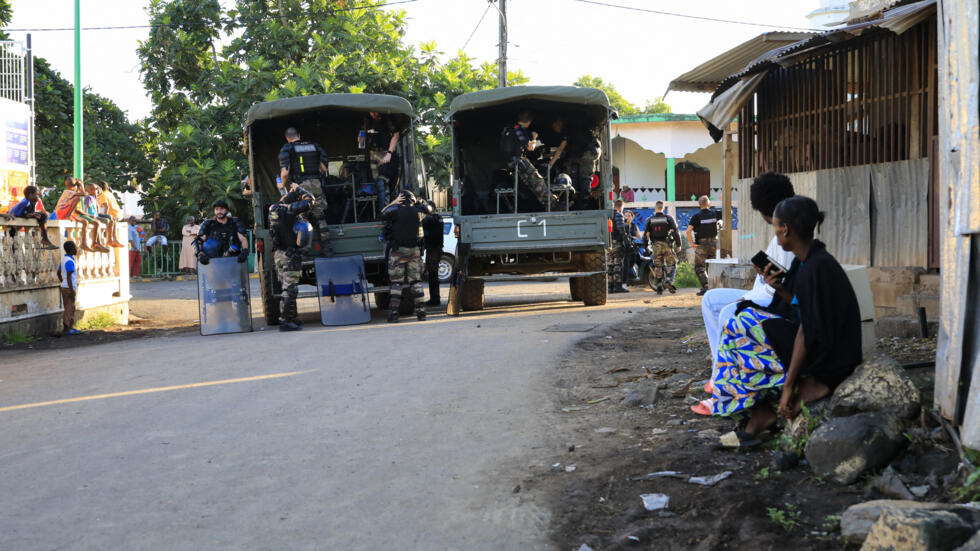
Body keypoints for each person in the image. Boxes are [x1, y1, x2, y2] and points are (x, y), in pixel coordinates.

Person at [709, 195, 862, 440]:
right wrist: (780, 287)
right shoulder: (810, 261)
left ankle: (763, 409)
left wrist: (789, 386)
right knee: (740, 321)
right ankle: (758, 411)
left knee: (740, 328)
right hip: (823, 345)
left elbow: (807, 330)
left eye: (776, 227)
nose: (776, 233)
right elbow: (802, 309)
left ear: (786, 229)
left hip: (830, 361)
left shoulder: (815, 268)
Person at [695, 173, 796, 410]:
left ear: (762, 211)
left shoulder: (788, 233)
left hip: (776, 302)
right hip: (762, 293)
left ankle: (725, 389)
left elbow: (780, 286)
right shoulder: (779, 230)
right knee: (711, 300)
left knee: (729, 312)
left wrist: (748, 297)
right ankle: (718, 372)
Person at [381, 190, 431, 323]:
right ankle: (421, 313)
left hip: (398, 251)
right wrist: (418, 202)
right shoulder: (418, 213)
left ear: (400, 200)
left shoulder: (395, 212)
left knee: (396, 283)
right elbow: (430, 210)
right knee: (416, 282)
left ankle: (394, 314)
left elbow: (383, 213)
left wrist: (393, 202)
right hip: (414, 251)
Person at [279, 127, 332, 251]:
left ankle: (305, 250)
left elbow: (285, 172)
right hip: (316, 184)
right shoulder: (315, 146)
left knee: (302, 218)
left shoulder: (287, 148)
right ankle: (328, 249)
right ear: (299, 135)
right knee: (320, 217)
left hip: (301, 186)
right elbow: (324, 169)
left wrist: (282, 184)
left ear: (287, 138)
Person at [268, 189, 313, 331]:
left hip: (279, 254)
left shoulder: (275, 211)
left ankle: (291, 317)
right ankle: (286, 321)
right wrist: (300, 190)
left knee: (286, 288)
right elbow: (310, 201)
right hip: (289, 254)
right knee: (290, 289)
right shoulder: (289, 212)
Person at [500, 110, 557, 211]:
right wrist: (534, 137)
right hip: (519, 161)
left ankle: (547, 205)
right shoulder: (521, 131)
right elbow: (531, 147)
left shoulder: (509, 129)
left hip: (510, 164)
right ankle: (554, 205)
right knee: (538, 181)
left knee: (528, 185)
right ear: (529, 121)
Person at [363, 111, 401, 207]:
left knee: (384, 184)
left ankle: (386, 211)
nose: (373, 114)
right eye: (371, 112)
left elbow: (396, 135)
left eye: (374, 112)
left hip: (385, 153)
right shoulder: (368, 121)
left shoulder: (387, 118)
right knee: (377, 183)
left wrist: (389, 153)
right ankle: (381, 211)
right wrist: (361, 138)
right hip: (374, 154)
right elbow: (363, 138)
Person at [643, 200, 680, 294]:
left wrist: (646, 246)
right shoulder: (669, 218)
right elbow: (676, 232)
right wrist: (679, 244)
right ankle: (668, 281)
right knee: (672, 263)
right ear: (663, 208)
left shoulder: (649, 220)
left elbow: (645, 235)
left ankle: (659, 286)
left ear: (655, 208)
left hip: (655, 246)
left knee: (658, 265)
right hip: (667, 244)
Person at [195, 200, 249, 264]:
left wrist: (244, 252)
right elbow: (199, 240)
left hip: (234, 260)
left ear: (227, 210)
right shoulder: (209, 224)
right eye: (216, 209)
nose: (219, 211)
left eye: (222, 209)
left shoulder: (235, 222)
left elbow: (243, 239)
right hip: (213, 262)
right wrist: (201, 254)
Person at [686, 196, 720, 296]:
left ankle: (706, 287)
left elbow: (688, 231)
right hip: (713, 244)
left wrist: (692, 243)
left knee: (700, 268)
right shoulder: (715, 213)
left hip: (701, 245)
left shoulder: (696, 216)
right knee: (712, 266)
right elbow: (728, 213)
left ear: (699, 205)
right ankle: (713, 287)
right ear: (708, 204)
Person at [57, 240, 82, 335]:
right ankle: (67, 328)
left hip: (65, 286)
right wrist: (71, 290)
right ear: (71, 249)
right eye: (75, 247)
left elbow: (58, 272)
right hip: (68, 288)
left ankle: (70, 327)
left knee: (70, 307)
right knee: (69, 308)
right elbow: (69, 277)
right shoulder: (70, 261)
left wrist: (62, 282)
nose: (76, 249)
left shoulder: (64, 259)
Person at [421, 201, 443, 306]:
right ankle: (434, 298)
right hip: (433, 249)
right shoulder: (436, 218)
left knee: (433, 274)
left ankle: (435, 299)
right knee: (432, 275)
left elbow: (426, 222)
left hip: (434, 249)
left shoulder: (435, 218)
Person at [607, 200, 630, 294]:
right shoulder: (618, 215)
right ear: (621, 207)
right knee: (618, 264)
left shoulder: (608, 215)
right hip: (617, 243)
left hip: (608, 243)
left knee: (610, 265)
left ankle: (610, 287)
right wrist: (626, 241)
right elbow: (621, 228)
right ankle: (618, 286)